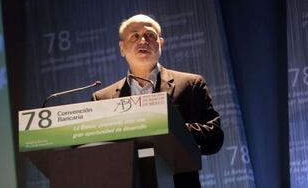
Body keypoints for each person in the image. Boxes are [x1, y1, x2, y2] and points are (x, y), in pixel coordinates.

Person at [93, 14, 224, 188]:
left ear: (160, 43)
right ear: (122, 48)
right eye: (134, 36)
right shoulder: (103, 98)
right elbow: (98, 155)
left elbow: (214, 137)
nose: (142, 41)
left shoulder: (190, 84)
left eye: (150, 35)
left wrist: (167, 128)